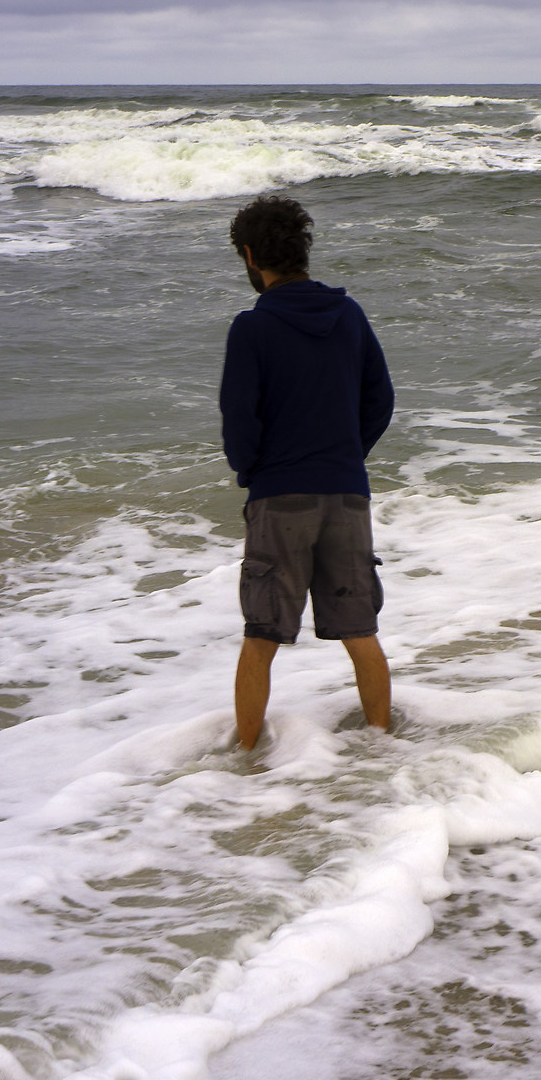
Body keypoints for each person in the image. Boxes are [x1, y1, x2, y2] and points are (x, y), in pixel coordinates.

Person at [218, 193, 395, 750]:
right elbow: (380, 399)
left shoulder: (252, 328)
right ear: (302, 249)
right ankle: (382, 744)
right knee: (361, 633)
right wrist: (347, 455)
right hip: (345, 492)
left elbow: (239, 420)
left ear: (250, 255)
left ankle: (246, 756)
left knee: (261, 637)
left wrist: (254, 473)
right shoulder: (348, 314)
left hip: (280, 497)